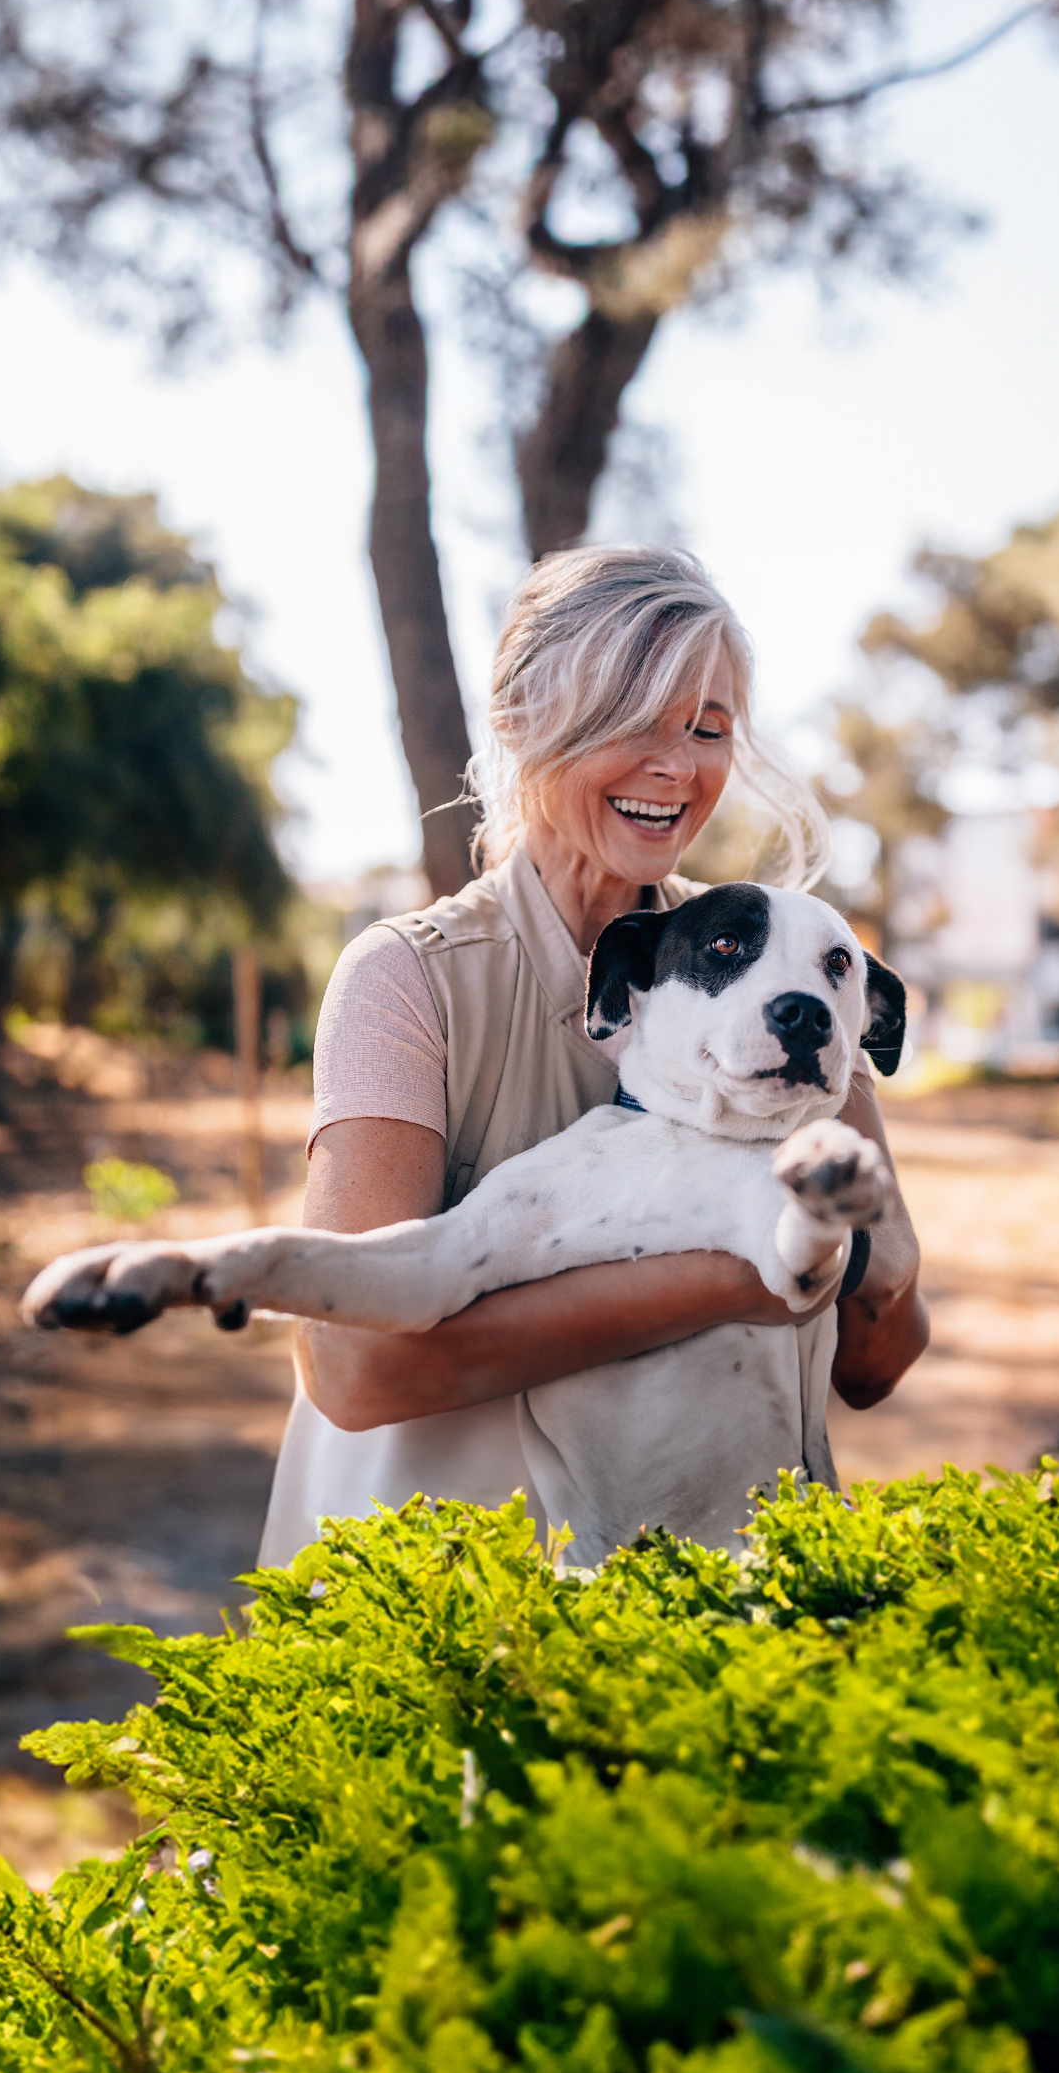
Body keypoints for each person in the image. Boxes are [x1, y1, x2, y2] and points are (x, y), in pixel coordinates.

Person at [264, 544, 930, 1565]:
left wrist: (867, 1262)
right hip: (456, 1602)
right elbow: (356, 1372)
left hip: (715, 1601)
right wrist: (741, 1274)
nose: (678, 767)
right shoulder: (409, 980)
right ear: (524, 719)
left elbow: (880, 1358)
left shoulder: (792, 982)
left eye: (708, 730)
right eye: (631, 722)